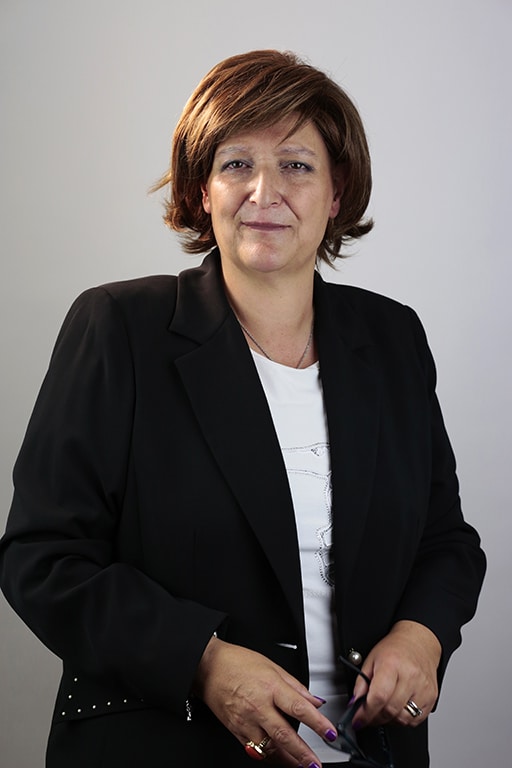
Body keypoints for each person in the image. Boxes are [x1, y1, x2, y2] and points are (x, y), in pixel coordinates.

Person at [0, 50, 485, 768]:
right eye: (236, 165)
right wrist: (204, 659)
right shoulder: (119, 328)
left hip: (371, 751)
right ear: (202, 191)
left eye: (296, 165)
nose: (265, 191)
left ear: (337, 193)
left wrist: (422, 635)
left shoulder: (392, 338)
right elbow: (42, 559)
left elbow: (446, 541)